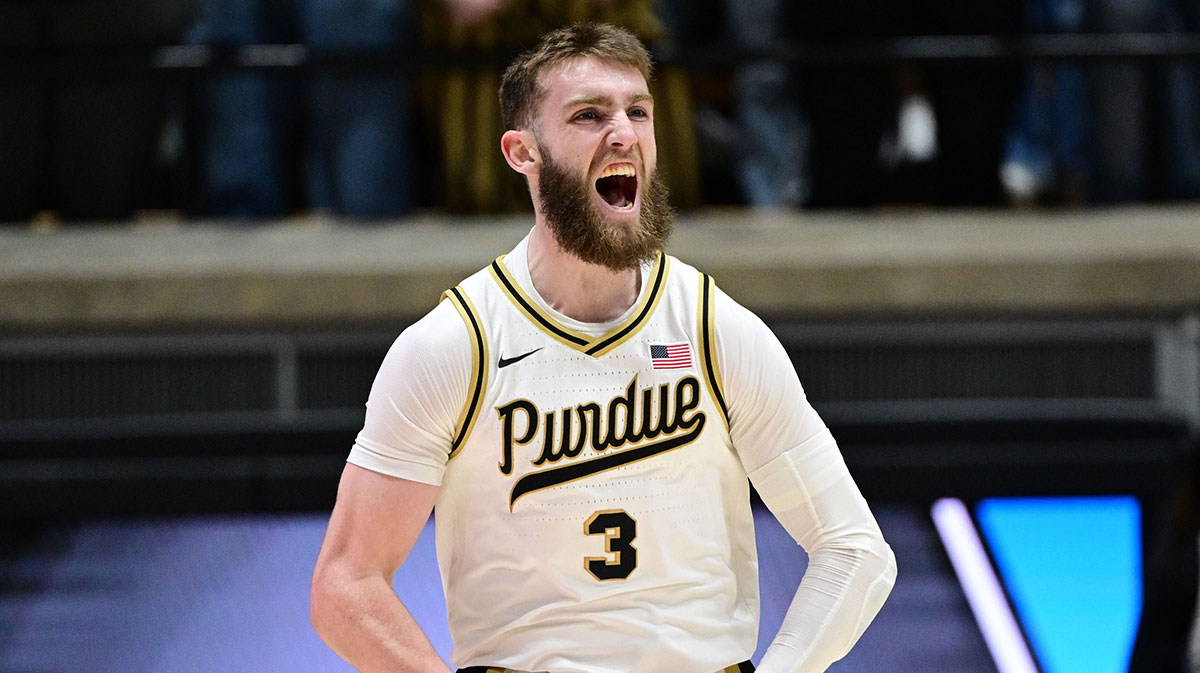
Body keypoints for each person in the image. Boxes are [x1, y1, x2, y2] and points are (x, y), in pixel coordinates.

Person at [310, 22, 896, 673]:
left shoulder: (713, 329)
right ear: (522, 152)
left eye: (638, 111)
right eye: (589, 115)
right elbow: (345, 584)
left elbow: (854, 550)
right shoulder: (456, 344)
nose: (624, 132)